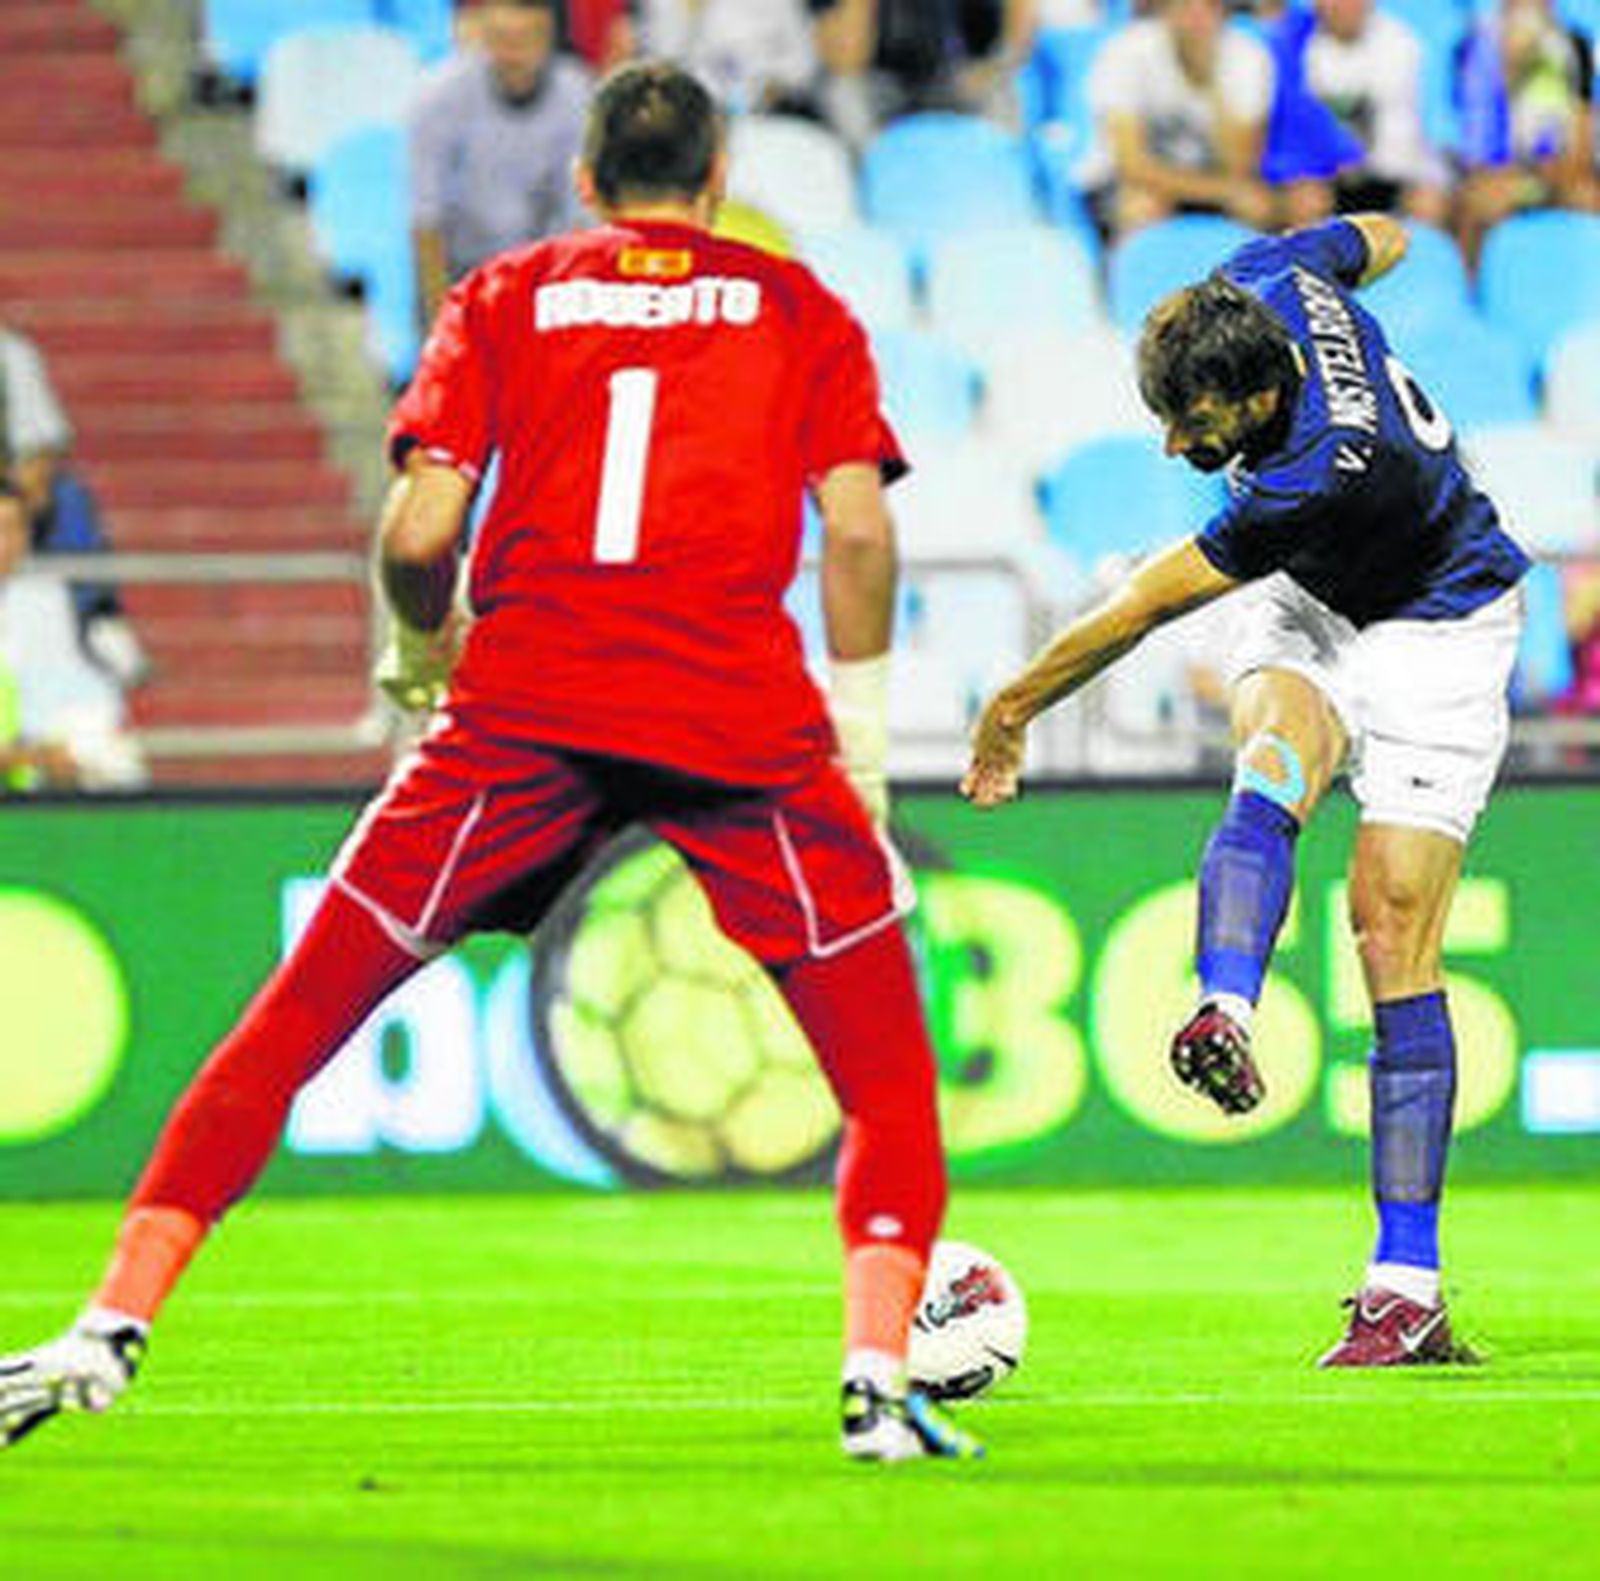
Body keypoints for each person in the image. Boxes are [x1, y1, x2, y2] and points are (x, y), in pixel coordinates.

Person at [0, 60, 980, 1464]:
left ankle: (109, 1322)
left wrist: (415, 658)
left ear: (586, 180)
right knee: (886, 1082)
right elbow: (864, 539)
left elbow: (415, 538)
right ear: (717, 186)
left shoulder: (508, 294)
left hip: (527, 713)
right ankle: (878, 1381)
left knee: (289, 1028)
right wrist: (868, 747)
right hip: (739, 728)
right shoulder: (798, 306)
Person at [963, 212, 1528, 1366]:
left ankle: (1404, 1290)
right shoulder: (1258, 272)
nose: (1173, 446)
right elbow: (1383, 235)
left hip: (1442, 615)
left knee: (1389, 932)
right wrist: (1387, 246)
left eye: (1194, 424)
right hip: (1323, 594)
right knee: (1270, 756)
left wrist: (1011, 705)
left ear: (1260, 404)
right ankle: (1224, 1001)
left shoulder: (1315, 470)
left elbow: (1137, 612)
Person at [409, 0, 593, 324]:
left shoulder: (578, 94)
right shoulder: (436, 98)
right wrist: (444, 325)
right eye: (502, 41)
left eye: (525, 41)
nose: (513, 57)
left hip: (545, 274)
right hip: (461, 271)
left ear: (549, 36)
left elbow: (580, 215)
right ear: (484, 34)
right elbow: (426, 222)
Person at [0, 324, 151, 689]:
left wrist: (20, 497)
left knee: (67, 498)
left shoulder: (10, 354)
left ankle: (96, 618)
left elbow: (39, 450)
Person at [1079, 0, 1277, 240]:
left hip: (1211, 179)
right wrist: (1219, 191)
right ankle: (1135, 274)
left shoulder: (1249, 55)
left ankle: (1243, 276)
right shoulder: (1124, 51)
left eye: (1208, 6)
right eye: (1186, 6)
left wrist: (1211, 84)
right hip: (1133, 181)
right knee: (1140, 206)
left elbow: (1241, 164)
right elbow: (1131, 165)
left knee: (1256, 206)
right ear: (1165, 10)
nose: (1197, 16)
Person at [0, 481, 145, 792]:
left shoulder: (49, 596)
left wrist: (48, 754)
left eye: (13, 529)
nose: (4, 543)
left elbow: (75, 691)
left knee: (113, 761)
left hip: (38, 757)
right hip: (18, 759)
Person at [1266, 0, 1451, 229]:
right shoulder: (1292, 47)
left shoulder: (1403, 45)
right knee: (1304, 201)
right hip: (1324, 178)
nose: (1343, 6)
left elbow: (1409, 141)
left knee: (1428, 203)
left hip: (1387, 175)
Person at [1453, 0, 1598, 267]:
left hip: (1563, 172)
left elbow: (1585, 121)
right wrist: (1509, 68)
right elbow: (1476, 139)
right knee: (1475, 206)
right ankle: (1472, 299)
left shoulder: (1576, 44)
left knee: (1589, 197)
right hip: (1505, 172)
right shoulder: (1478, 44)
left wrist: (1566, 170)